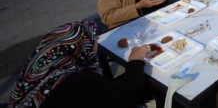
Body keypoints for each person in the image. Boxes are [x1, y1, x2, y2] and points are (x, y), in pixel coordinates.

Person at [8, 21, 149, 108]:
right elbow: (126, 97)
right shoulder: (81, 81)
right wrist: (135, 61)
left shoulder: (37, 70)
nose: (97, 40)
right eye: (92, 38)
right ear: (81, 47)